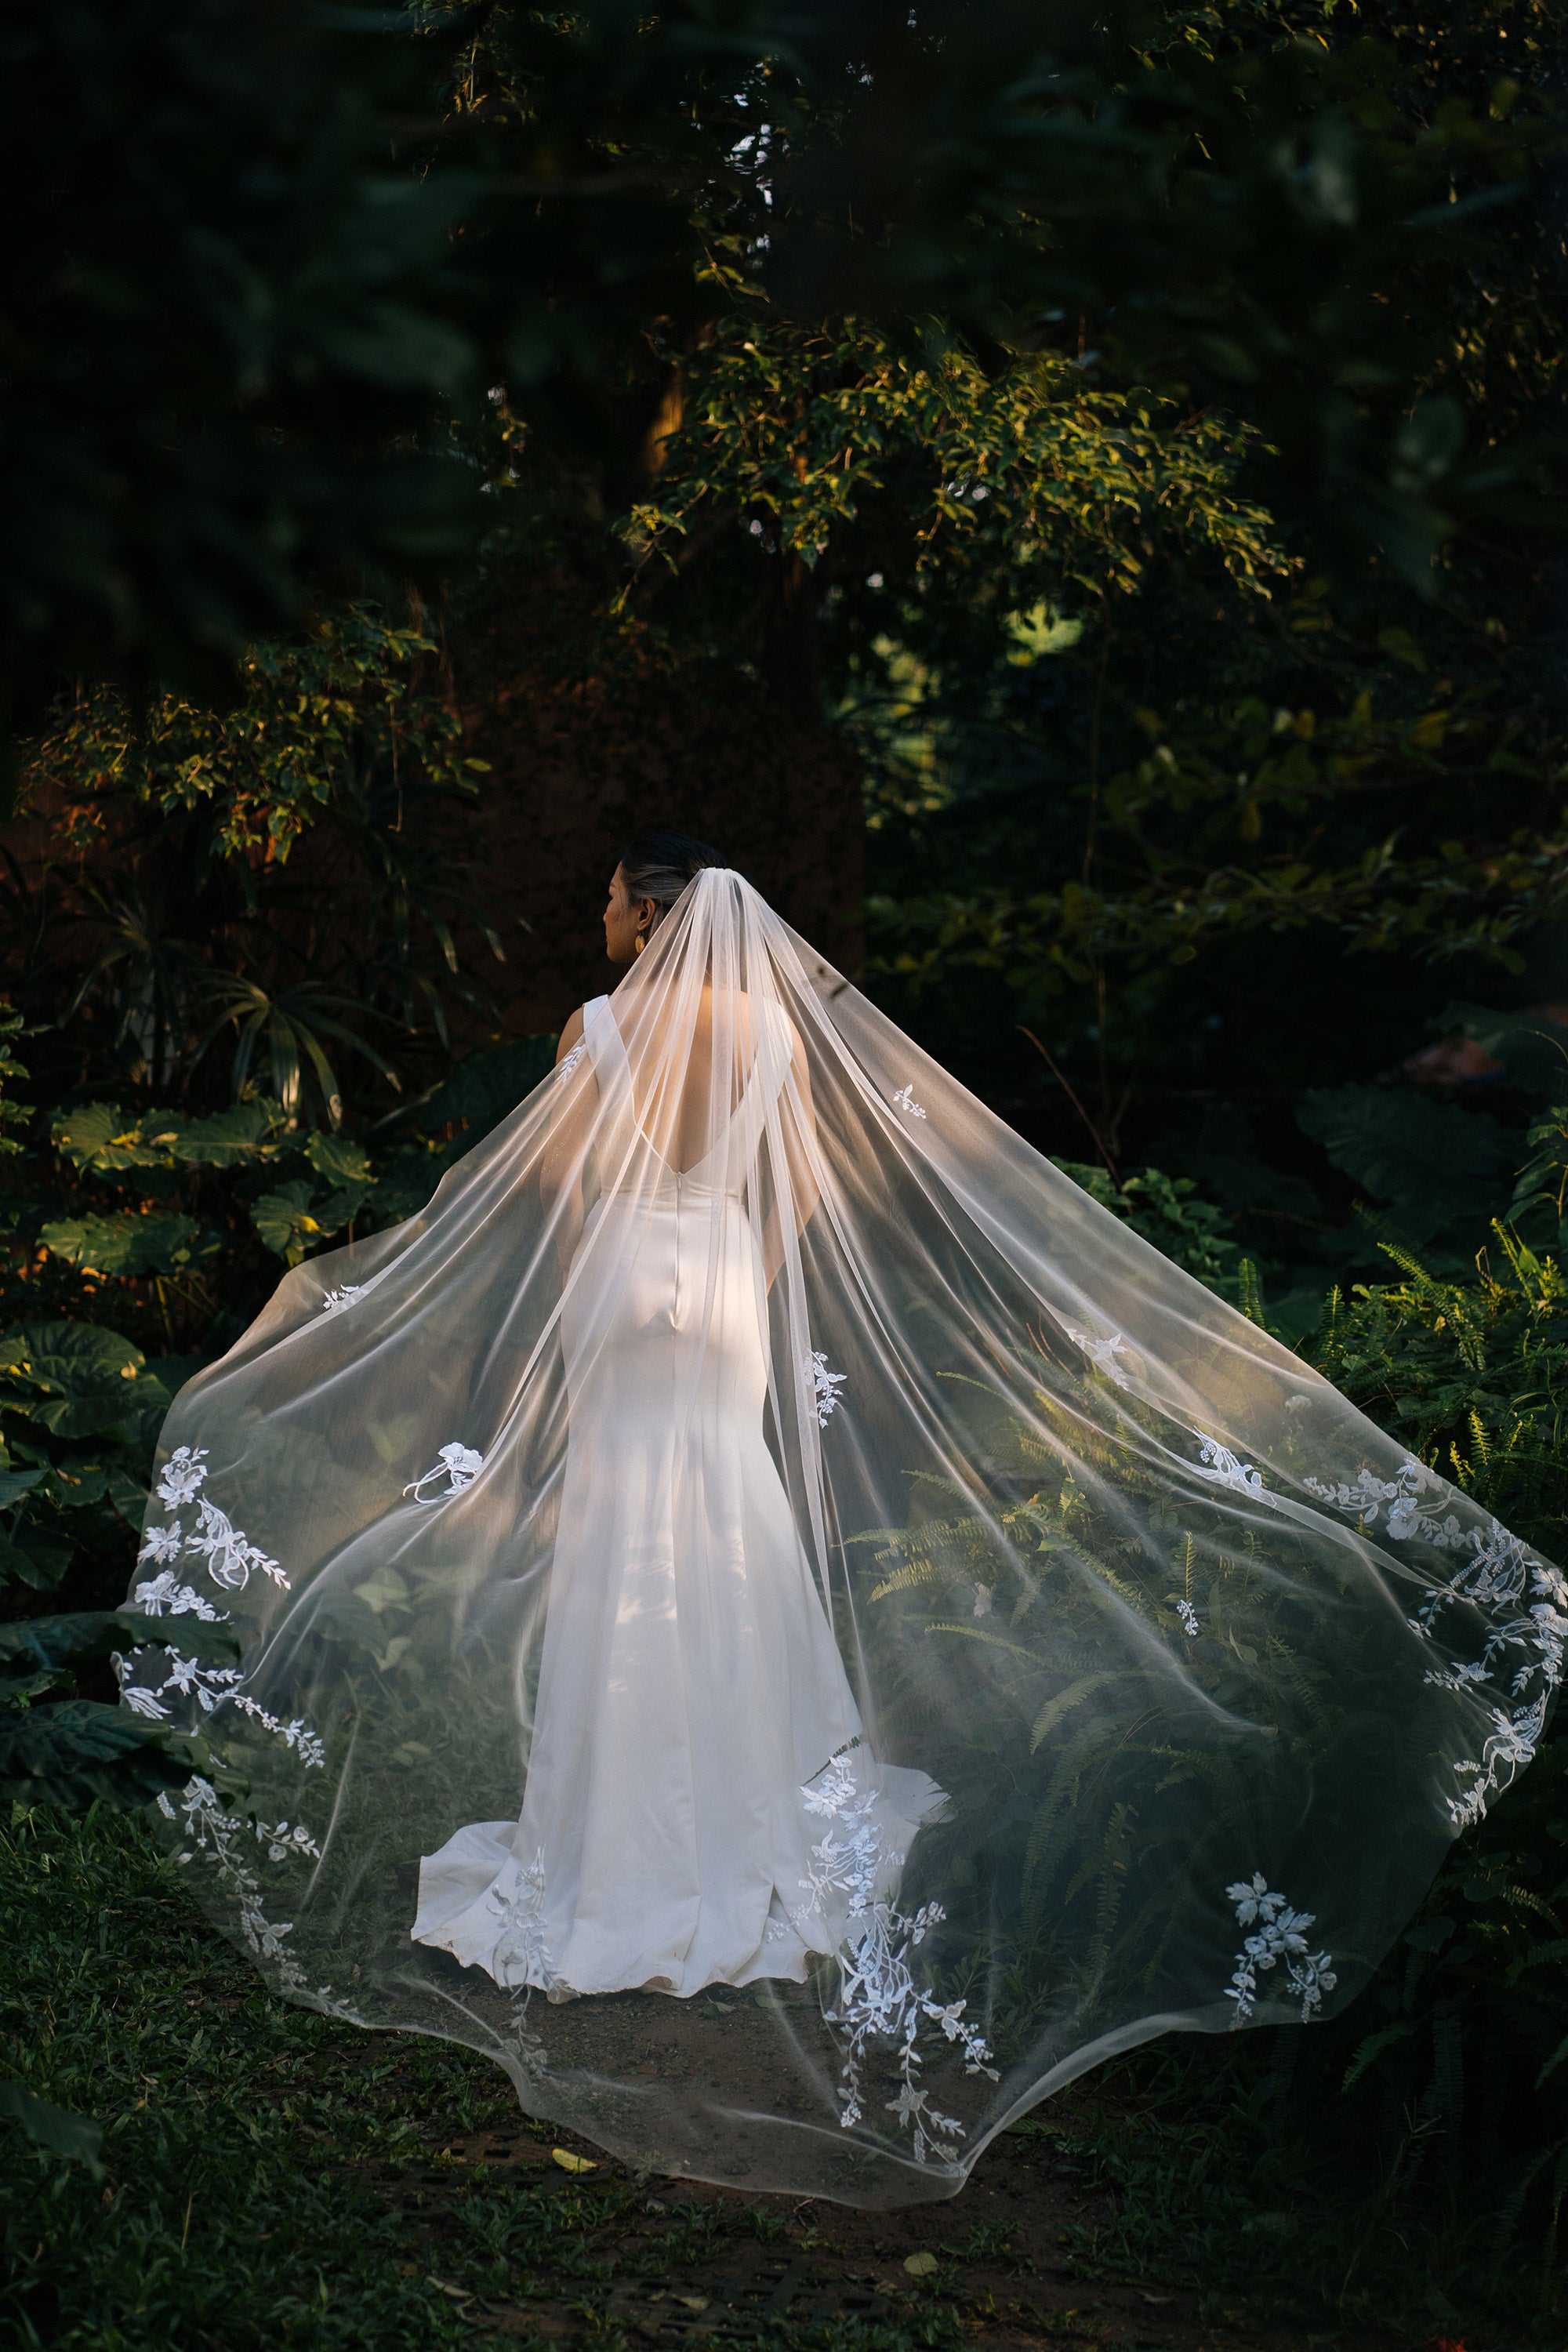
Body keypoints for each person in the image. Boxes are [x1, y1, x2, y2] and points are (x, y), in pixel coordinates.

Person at [123, 833, 1563, 2205]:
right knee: (734, 1523)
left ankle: (619, 1854)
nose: (604, 920)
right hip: (729, 1295)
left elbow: (552, 1202)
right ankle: (753, 1834)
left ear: (644, 908)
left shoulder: (595, 1033)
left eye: (614, 900)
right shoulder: (768, 1038)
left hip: (627, 1294)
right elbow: (798, 1200)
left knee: (626, 1537)